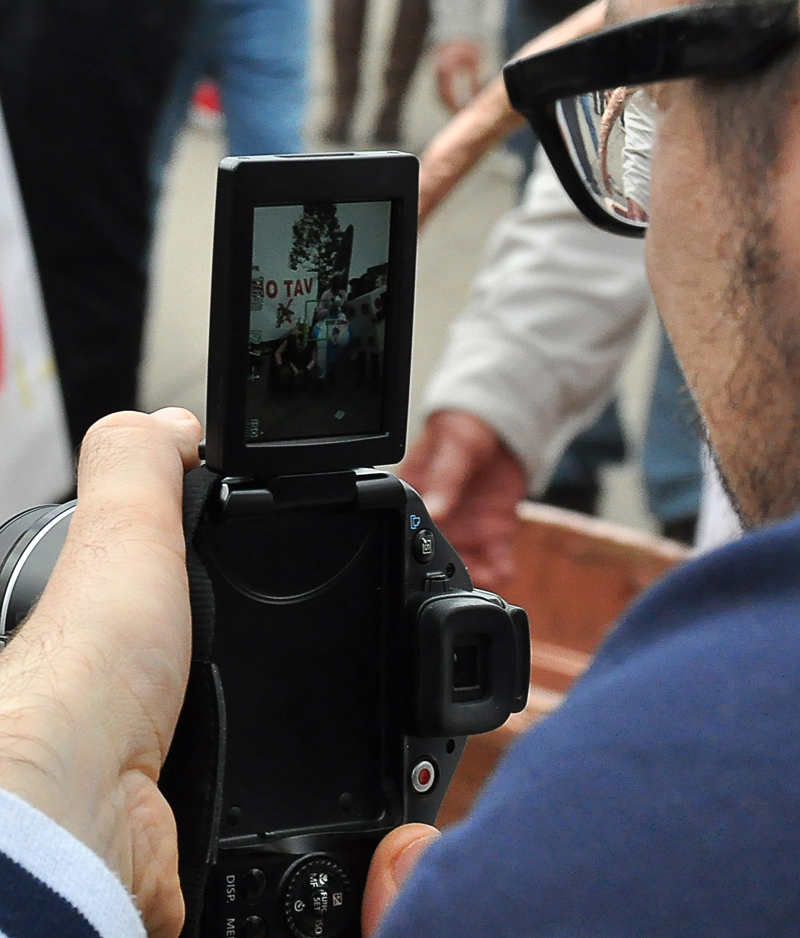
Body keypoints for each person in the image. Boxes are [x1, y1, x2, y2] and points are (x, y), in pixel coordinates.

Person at [1, 2, 799, 936]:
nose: (647, 218)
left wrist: (39, 819)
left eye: (645, 116)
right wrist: (508, 395)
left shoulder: (617, 849)